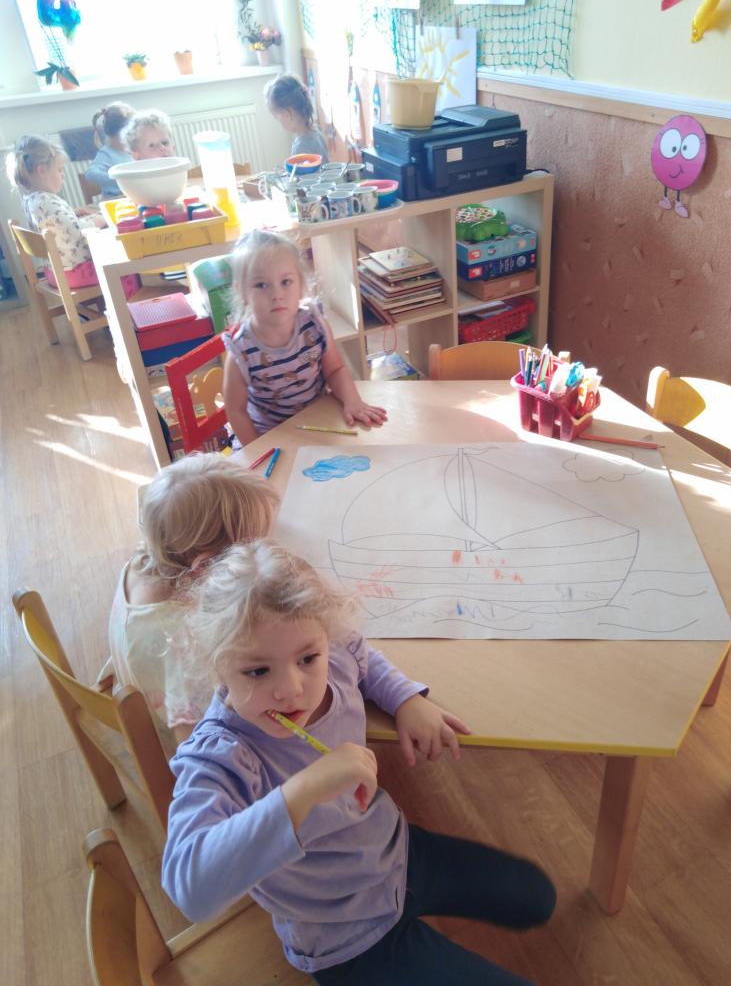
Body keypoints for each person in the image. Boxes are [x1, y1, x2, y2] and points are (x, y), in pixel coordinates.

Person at [161, 539, 556, 983]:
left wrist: (405, 699)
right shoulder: (223, 754)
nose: (291, 689)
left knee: (537, 896)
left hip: (396, 853)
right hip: (342, 937)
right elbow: (190, 890)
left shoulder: (332, 658)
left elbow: (362, 657)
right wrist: (303, 791)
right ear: (216, 665)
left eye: (307, 658)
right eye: (257, 671)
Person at [108, 452, 278, 753]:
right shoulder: (187, 642)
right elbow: (193, 742)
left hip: (138, 678)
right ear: (207, 565)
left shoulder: (149, 558)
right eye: (255, 545)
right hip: (184, 737)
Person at [222, 229, 387, 446]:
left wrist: (353, 401)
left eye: (286, 282)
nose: (276, 294)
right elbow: (235, 410)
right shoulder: (241, 351)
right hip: (269, 436)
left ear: (301, 285)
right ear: (242, 292)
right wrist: (257, 450)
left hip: (318, 420)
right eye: (261, 285)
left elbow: (335, 370)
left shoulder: (315, 325)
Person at [7, 134, 108, 290]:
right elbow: (77, 230)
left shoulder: (31, 200)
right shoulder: (46, 202)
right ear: (41, 170)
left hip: (55, 272)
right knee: (119, 266)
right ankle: (125, 304)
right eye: (59, 169)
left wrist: (71, 213)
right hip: (76, 272)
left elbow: (54, 224)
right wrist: (101, 218)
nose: (63, 174)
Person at [265, 73, 329, 163]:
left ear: (287, 115)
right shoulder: (317, 132)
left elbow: (300, 172)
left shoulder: (301, 147)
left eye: (277, 119)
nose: (279, 123)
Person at [85, 101, 134, 198]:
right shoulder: (107, 153)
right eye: (131, 132)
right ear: (122, 133)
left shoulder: (133, 151)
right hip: (115, 201)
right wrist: (120, 179)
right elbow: (90, 174)